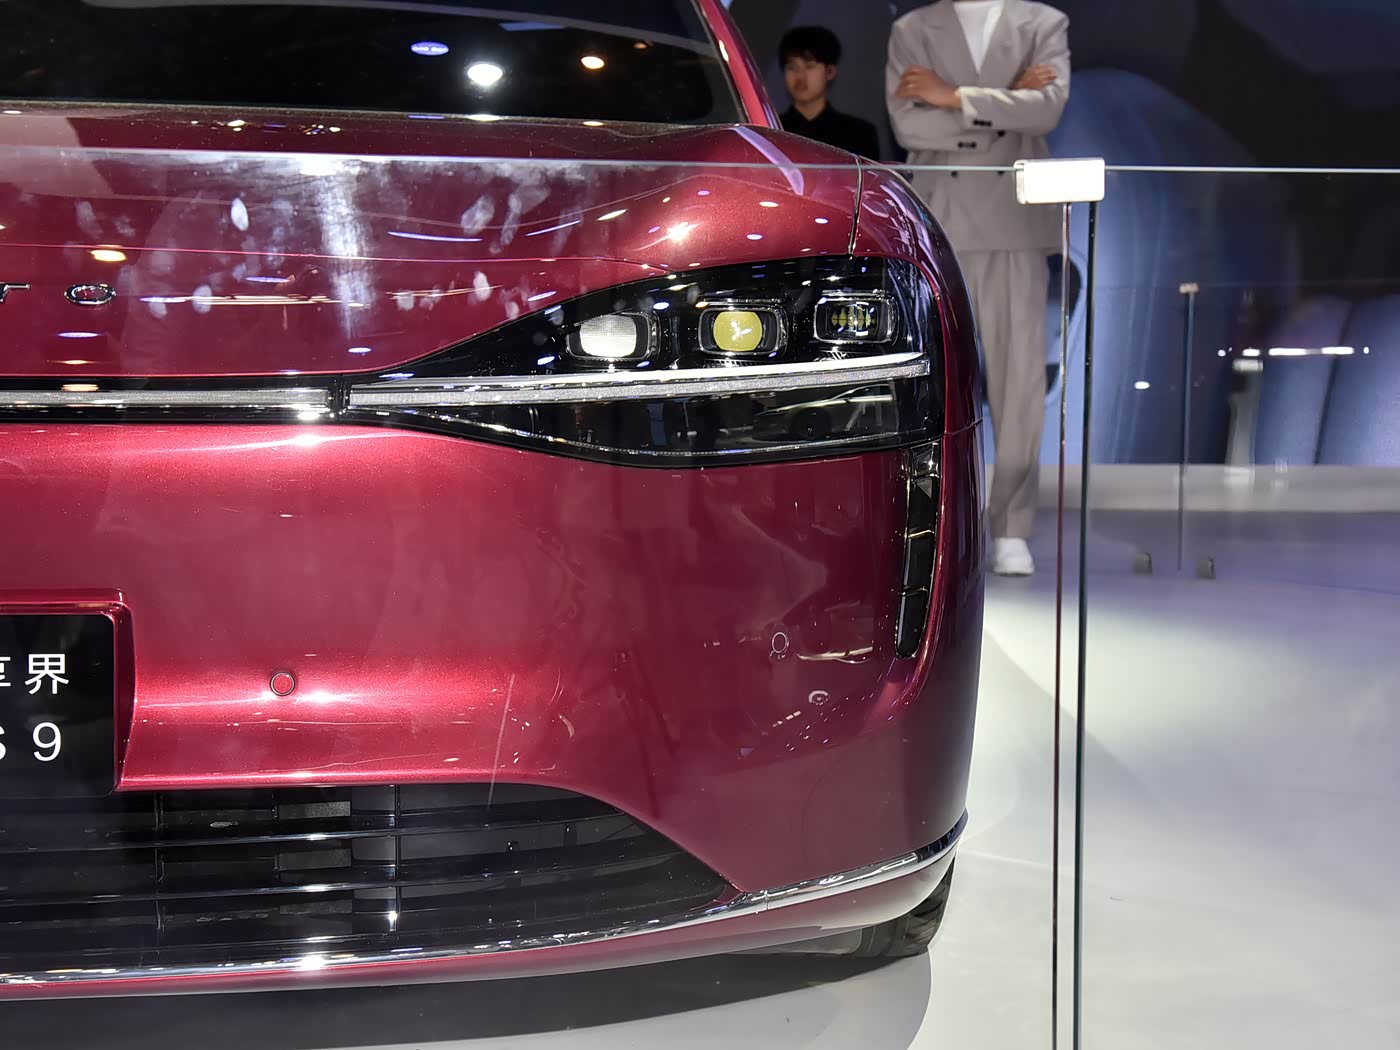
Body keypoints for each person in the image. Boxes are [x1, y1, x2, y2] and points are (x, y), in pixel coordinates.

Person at [887, 0, 1070, 576]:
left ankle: (1012, 525)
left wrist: (954, 96)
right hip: (938, 220)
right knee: (931, 377)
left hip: (1014, 219)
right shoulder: (912, 29)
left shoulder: (1043, 23)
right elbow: (909, 124)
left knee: (1020, 381)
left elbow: (1047, 110)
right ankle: (933, 519)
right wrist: (1003, 102)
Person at [779, 26, 881, 159]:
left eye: (809, 66)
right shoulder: (771, 131)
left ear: (830, 72)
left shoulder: (859, 134)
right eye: (792, 67)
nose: (800, 76)